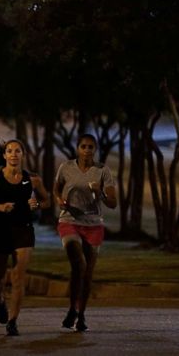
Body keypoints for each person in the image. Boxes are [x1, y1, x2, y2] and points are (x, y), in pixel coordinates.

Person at [0, 139, 50, 336]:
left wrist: (36, 204)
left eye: (17, 151)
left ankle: (13, 321)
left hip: (23, 230)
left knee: (18, 276)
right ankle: (0, 301)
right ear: (4, 156)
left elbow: (45, 201)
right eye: (9, 151)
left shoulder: (33, 180)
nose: (13, 154)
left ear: (23, 155)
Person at [54, 133, 117, 332]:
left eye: (91, 147)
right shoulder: (66, 168)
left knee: (86, 274)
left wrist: (101, 193)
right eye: (83, 146)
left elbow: (112, 203)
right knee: (78, 262)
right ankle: (73, 308)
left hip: (93, 224)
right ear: (77, 148)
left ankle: (79, 314)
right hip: (69, 221)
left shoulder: (102, 171)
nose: (87, 150)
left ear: (95, 149)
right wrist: (59, 200)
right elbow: (56, 189)